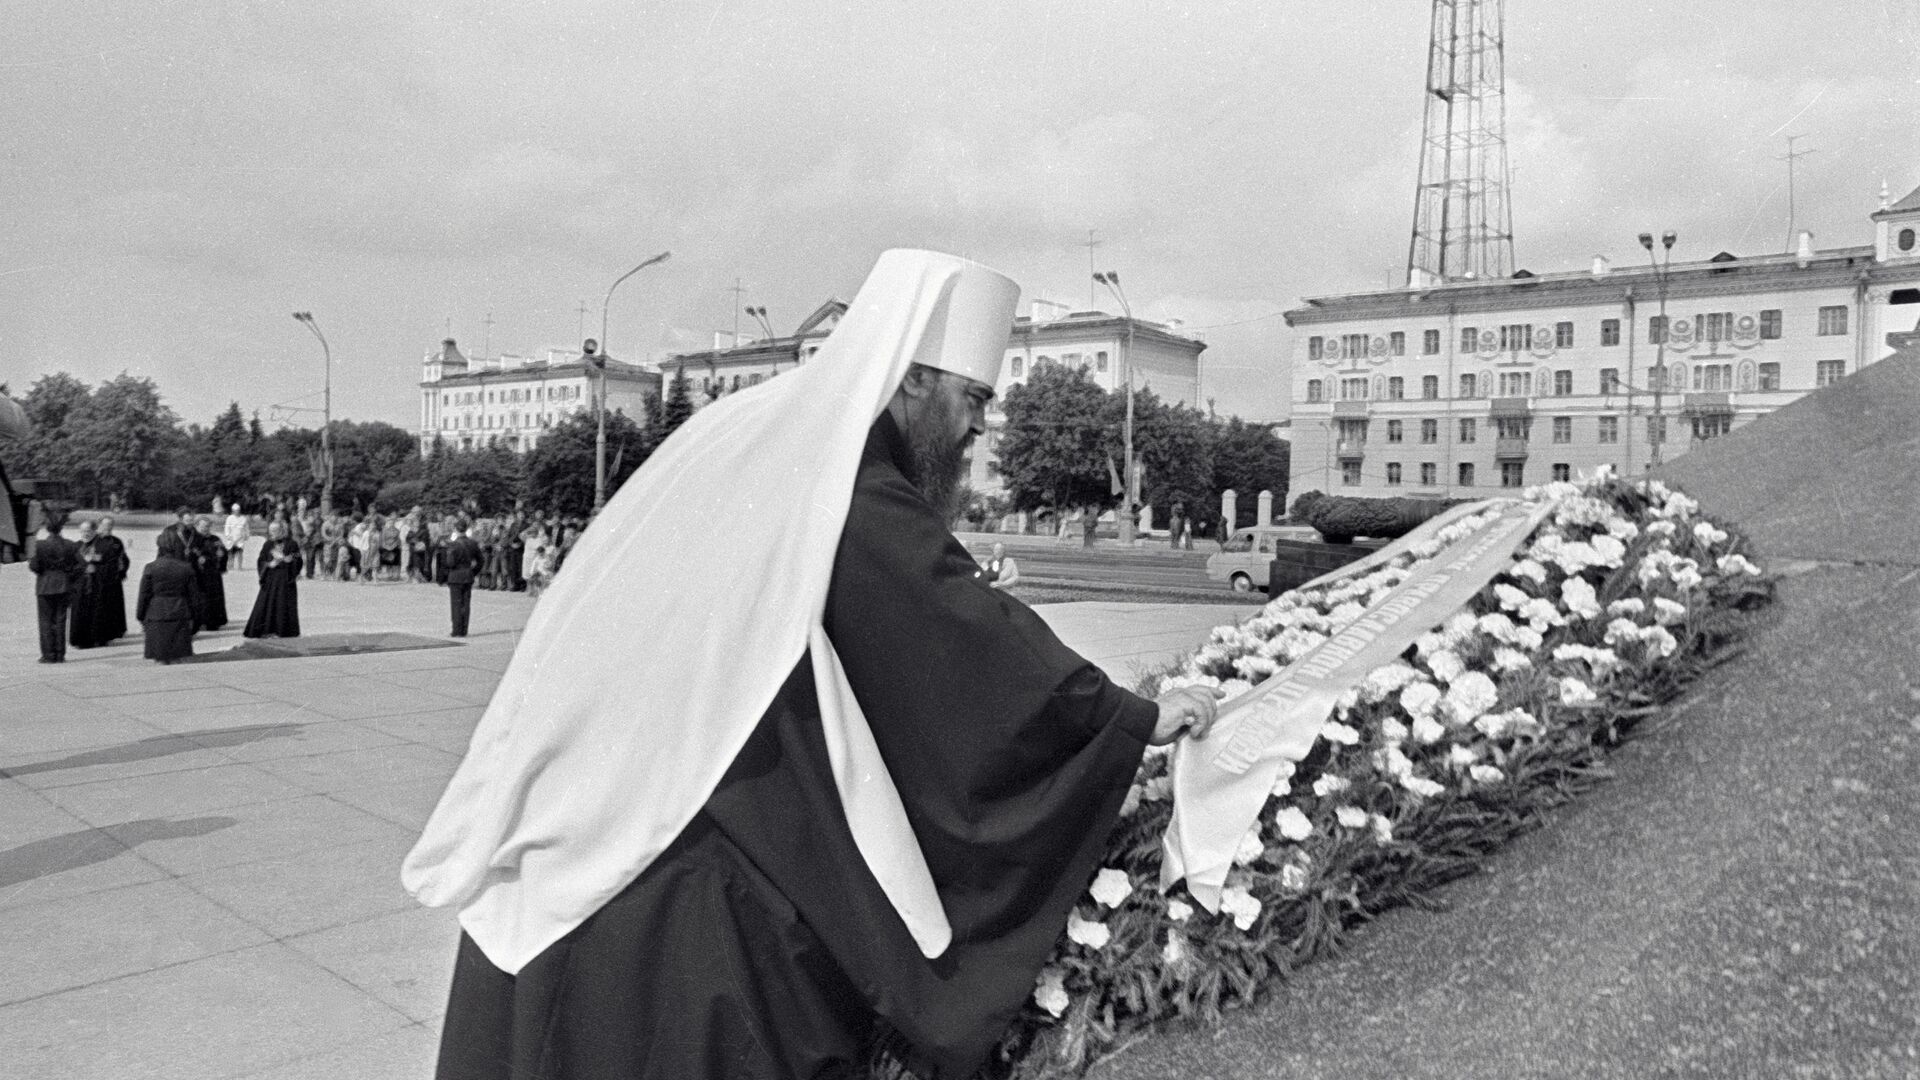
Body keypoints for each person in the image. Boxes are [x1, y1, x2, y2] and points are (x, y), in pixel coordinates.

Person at [404, 251, 1219, 1080]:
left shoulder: (758, 428)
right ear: (911, 381)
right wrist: (1130, 719)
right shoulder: (847, 475)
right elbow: (957, 631)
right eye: (972, 399)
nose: (979, 428)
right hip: (674, 874)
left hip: (590, 811)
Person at [137, 528, 201, 664]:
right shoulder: (186, 567)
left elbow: (144, 595)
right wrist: (196, 617)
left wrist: (140, 615)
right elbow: (194, 596)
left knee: (160, 658)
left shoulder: (150, 567)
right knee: (178, 657)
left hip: (156, 613)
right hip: (180, 612)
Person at [28, 511, 82, 663]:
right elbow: (82, 565)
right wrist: (69, 575)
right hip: (64, 585)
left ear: (47, 528)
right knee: (60, 620)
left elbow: (34, 565)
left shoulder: (39, 545)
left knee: (45, 621)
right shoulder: (70, 545)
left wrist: (43, 573)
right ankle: (59, 654)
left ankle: (48, 654)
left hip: (45, 585)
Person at [244, 520, 303, 638]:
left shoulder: (292, 544)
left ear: (282, 530)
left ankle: (282, 631)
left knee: (283, 604)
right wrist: (269, 564)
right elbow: (261, 560)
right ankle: (264, 630)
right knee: (265, 604)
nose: (272, 533)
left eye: (275, 530)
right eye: (271, 531)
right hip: (270, 578)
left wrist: (289, 561)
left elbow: (298, 559)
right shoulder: (268, 544)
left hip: (285, 579)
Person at [439, 516, 479, 637]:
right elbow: (481, 560)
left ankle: (456, 630)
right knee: (466, 604)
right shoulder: (472, 543)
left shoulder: (454, 545)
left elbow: (450, 563)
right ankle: (464, 630)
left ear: (456, 529)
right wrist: (473, 572)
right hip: (468, 575)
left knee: (456, 604)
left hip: (455, 576)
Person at [192, 516, 229, 631]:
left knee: (214, 599)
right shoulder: (193, 540)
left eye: (207, 526)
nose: (205, 529)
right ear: (197, 526)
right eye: (202, 526)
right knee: (200, 598)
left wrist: (222, 555)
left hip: (213, 574)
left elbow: (223, 552)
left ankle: (213, 622)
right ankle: (198, 621)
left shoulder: (215, 539)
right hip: (199, 574)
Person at [223, 503, 250, 570]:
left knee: (240, 553)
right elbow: (227, 528)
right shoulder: (229, 518)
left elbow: (246, 528)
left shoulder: (243, 518)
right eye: (235, 510)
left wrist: (247, 535)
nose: (237, 512)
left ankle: (239, 566)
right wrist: (228, 536)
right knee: (231, 553)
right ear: (232, 511)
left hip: (240, 539)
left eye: (238, 510)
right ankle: (230, 565)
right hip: (231, 539)